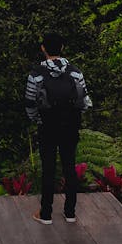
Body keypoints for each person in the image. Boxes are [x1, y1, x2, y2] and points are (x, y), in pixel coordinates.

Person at [25, 32, 92, 225]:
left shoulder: (36, 75)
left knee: (48, 169)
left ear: (43, 48)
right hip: (70, 126)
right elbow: (84, 101)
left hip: (47, 126)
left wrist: (37, 120)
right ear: (62, 48)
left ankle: (46, 214)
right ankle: (70, 212)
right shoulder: (75, 73)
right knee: (69, 167)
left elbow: (30, 103)